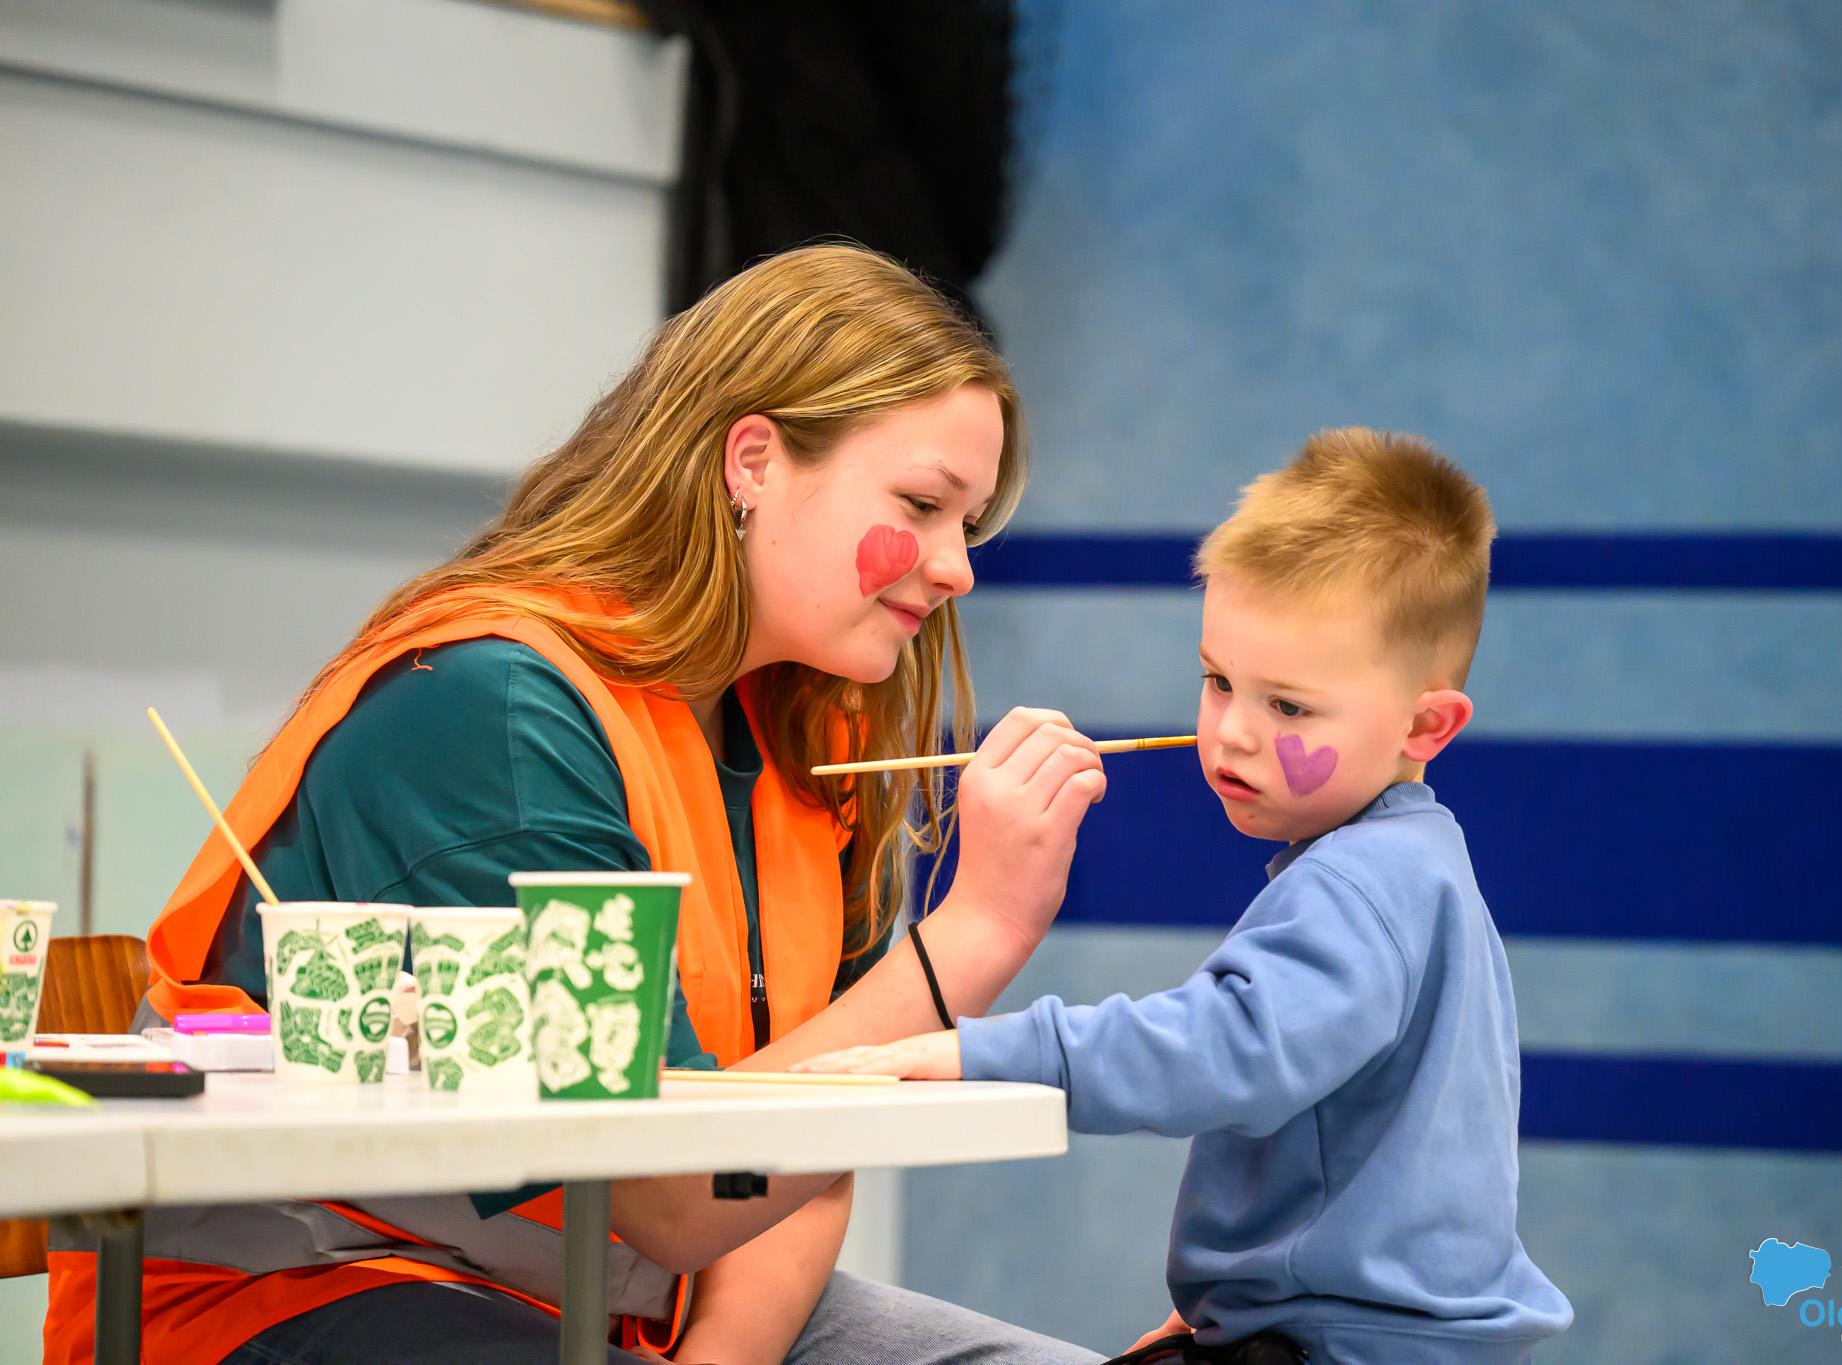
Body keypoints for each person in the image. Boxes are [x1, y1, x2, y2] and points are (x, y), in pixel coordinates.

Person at [44, 245, 1109, 1365]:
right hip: (301, 1287)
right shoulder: (495, 709)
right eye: (922, 506)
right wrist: (978, 930)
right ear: (752, 461)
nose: (956, 569)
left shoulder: (807, 735)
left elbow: (806, 1156)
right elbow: (666, 1190)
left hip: (632, 1306)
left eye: (967, 526)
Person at [798, 429, 1575, 1364]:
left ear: (1426, 725)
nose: (1232, 732)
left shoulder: (1362, 882)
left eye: (1287, 706)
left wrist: (990, 1052)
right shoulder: (1420, 867)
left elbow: (1228, 1046)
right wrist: (1246, 1307)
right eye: (1218, 682)